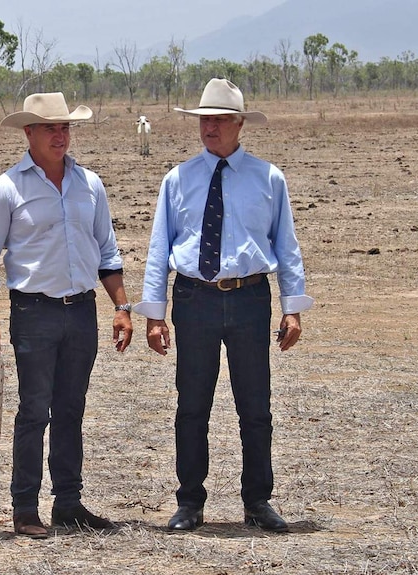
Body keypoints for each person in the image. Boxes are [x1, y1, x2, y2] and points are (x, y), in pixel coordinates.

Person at [134, 78, 313, 533]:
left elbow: (286, 246)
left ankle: (257, 501)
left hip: (251, 298)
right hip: (194, 300)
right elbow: (159, 249)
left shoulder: (269, 178)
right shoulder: (177, 179)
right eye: (203, 120)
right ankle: (190, 503)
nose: (209, 128)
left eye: (218, 120)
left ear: (239, 125)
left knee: (255, 406)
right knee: (192, 405)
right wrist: (154, 315)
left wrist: (292, 308)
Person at [0, 92, 134, 539]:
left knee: (71, 409)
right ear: (29, 133)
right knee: (33, 411)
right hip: (34, 312)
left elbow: (107, 251)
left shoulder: (90, 185)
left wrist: (122, 307)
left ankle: (68, 503)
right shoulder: (6, 189)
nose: (60, 136)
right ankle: (25, 507)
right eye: (49, 128)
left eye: (65, 128)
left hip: (82, 311)